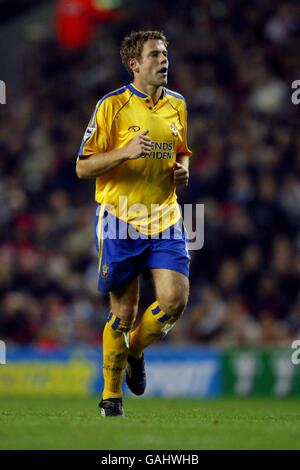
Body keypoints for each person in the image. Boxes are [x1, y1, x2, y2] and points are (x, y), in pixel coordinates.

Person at [76, 30, 192, 416]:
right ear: (134, 64)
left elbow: (183, 152)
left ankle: (136, 352)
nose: (164, 60)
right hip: (121, 219)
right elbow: (82, 166)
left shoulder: (178, 105)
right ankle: (111, 398)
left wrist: (183, 171)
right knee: (123, 313)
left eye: (165, 53)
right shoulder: (112, 106)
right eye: (155, 54)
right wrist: (124, 152)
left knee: (175, 299)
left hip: (165, 216)